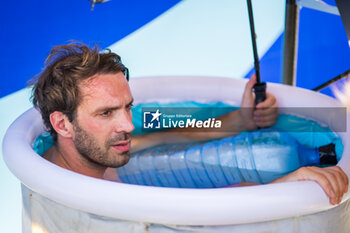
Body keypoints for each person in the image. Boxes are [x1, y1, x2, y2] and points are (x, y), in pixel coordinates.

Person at [30, 42, 348, 205]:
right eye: (106, 113)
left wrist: (241, 120)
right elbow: (198, 223)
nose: (128, 124)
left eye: (128, 107)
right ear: (62, 124)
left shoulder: (99, 152)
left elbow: (172, 137)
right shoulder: (66, 197)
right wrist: (284, 187)